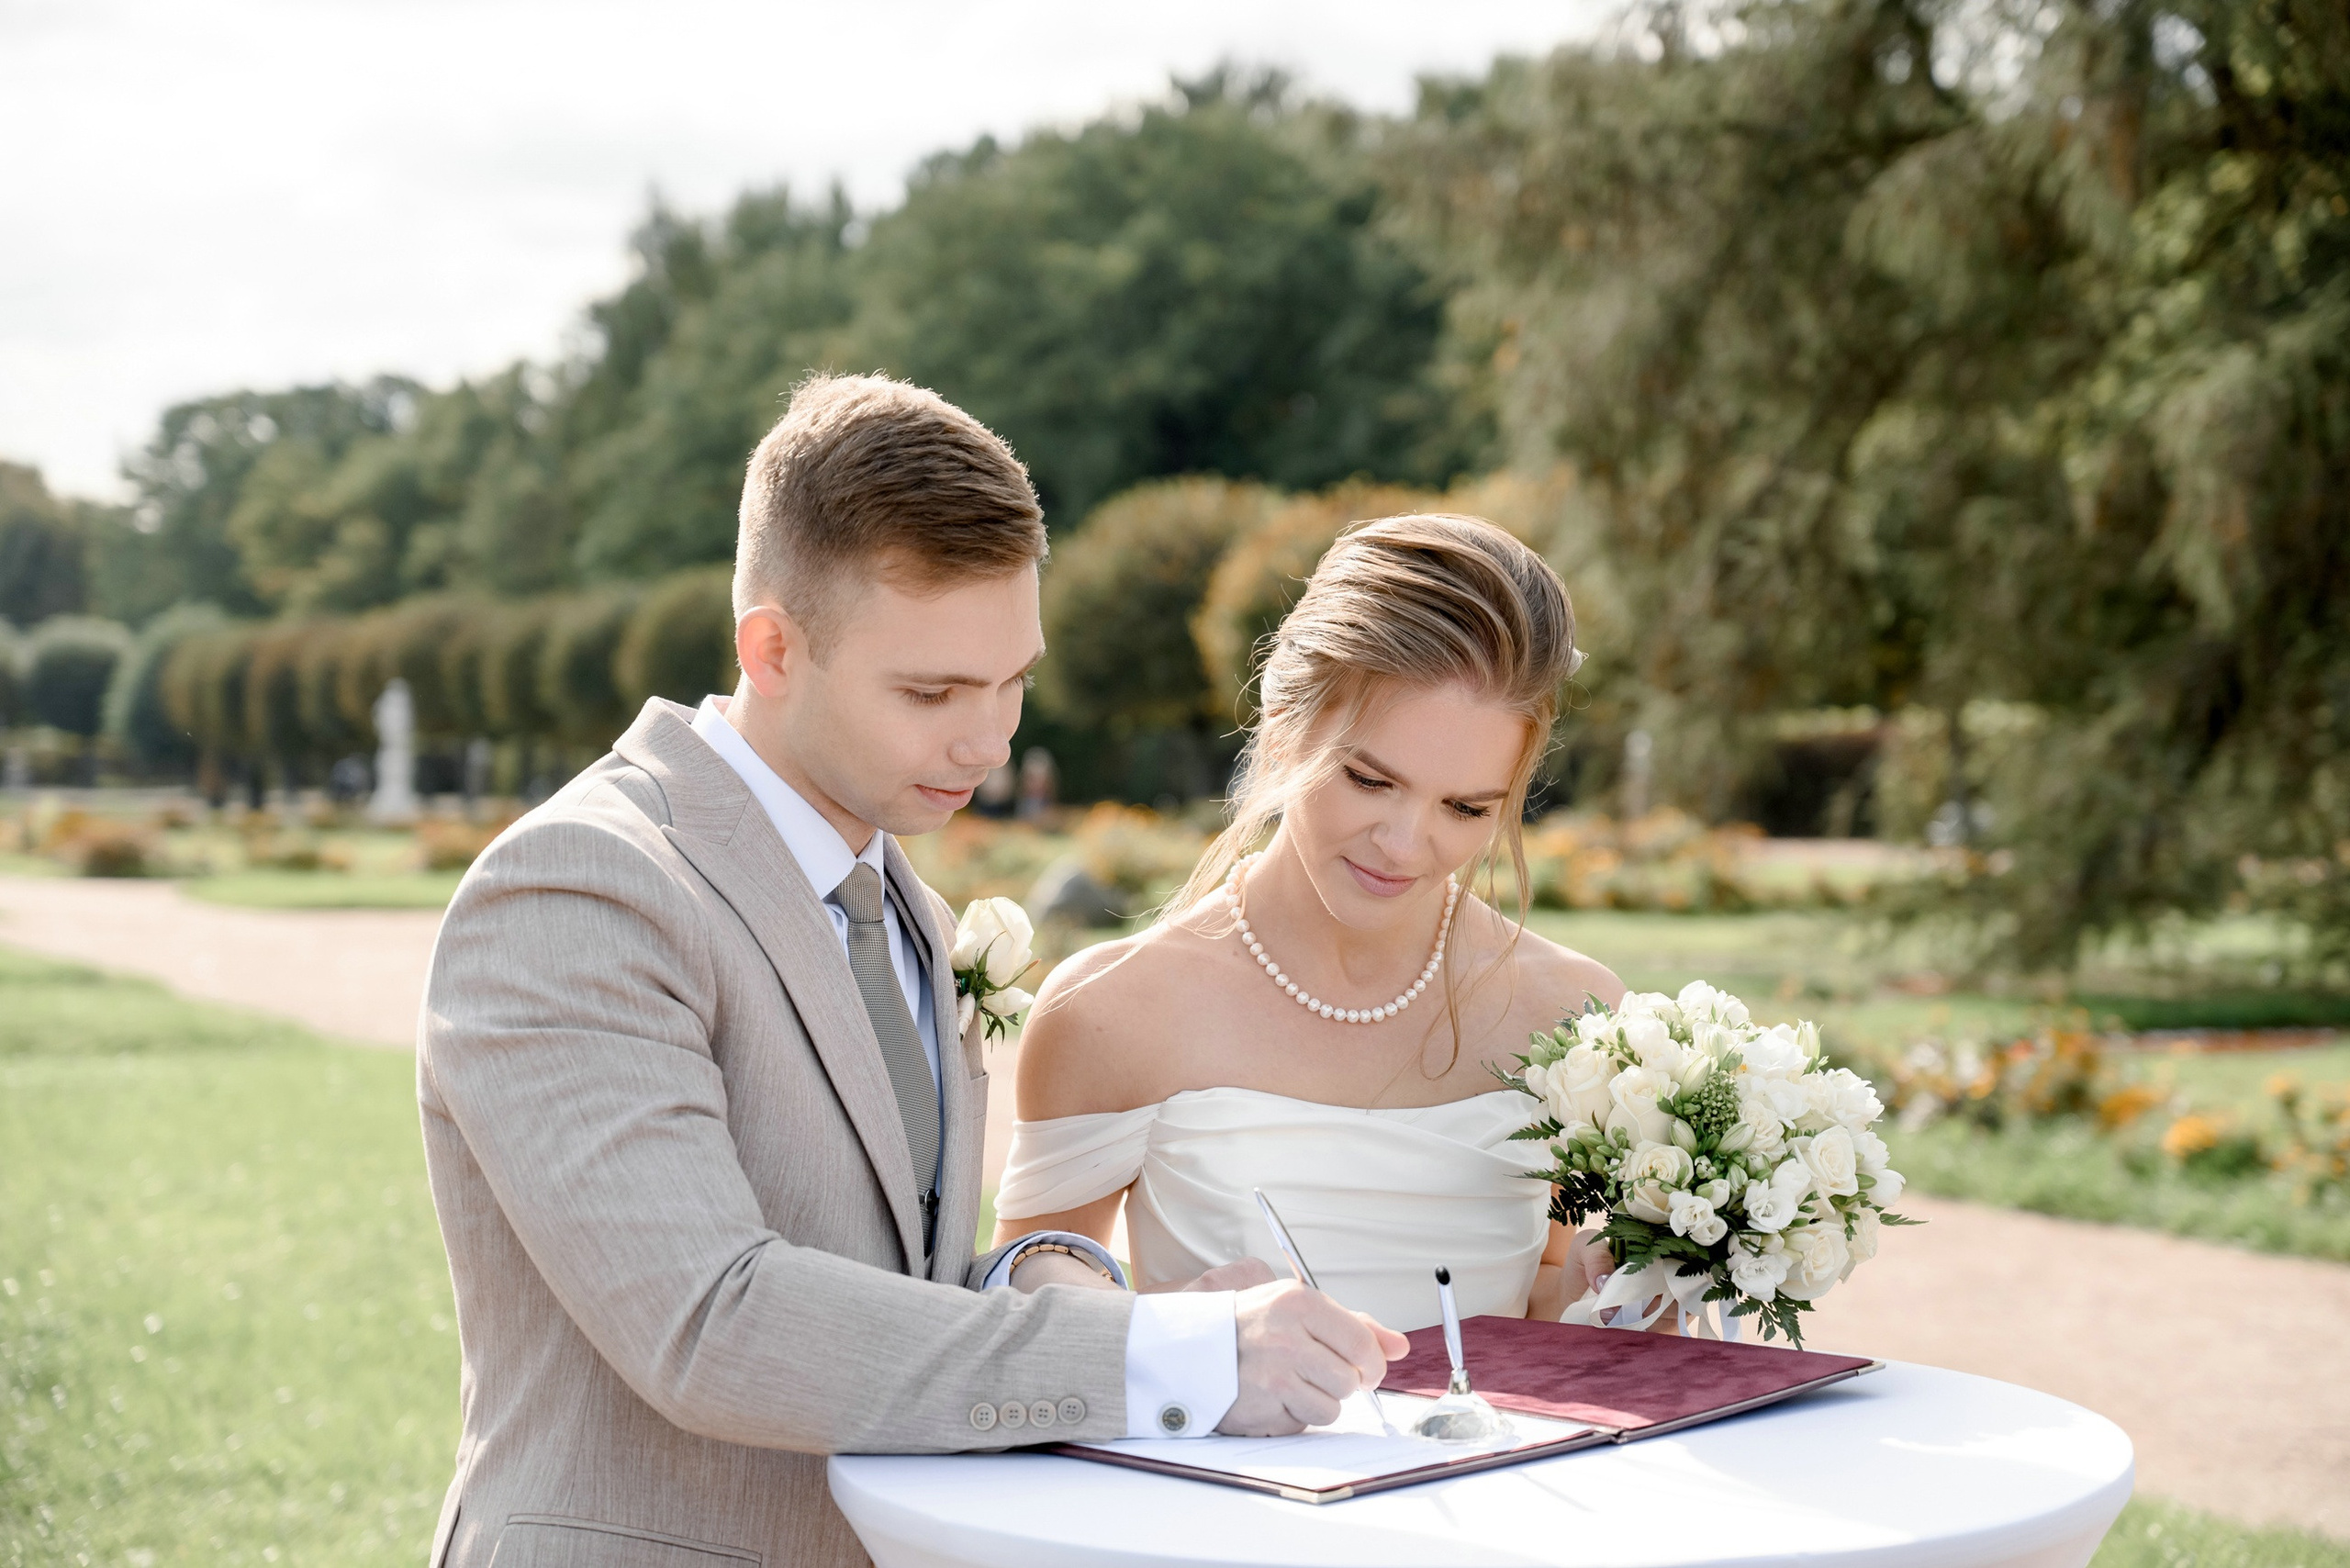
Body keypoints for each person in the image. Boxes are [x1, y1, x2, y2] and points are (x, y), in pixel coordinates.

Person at [416, 375, 1405, 1568]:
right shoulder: (582, 891)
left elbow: (887, 1279)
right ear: (772, 648)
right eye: (932, 692)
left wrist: (1087, 1291)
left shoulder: (907, 909)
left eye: (1014, 682)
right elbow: (709, 1322)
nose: (989, 743)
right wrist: (1177, 1365)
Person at [998, 515, 1634, 1332]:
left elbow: (1540, 1297)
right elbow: (1028, 1299)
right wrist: (1181, 1336)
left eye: (1466, 806)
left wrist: (1613, 1290)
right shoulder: (1110, 1010)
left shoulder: (1574, 1015)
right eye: (1369, 780)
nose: (1405, 845)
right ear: (1281, 718)